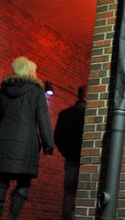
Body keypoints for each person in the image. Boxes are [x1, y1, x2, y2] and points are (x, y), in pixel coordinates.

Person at [0, 56, 54, 220]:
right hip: (26, 145)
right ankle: (11, 218)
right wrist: (48, 144)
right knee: (24, 183)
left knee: (1, 182)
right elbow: (43, 119)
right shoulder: (36, 91)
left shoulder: (3, 91)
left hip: (2, 143)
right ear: (30, 72)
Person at [54, 86, 87, 220]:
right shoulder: (91, 114)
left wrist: (66, 152)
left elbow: (57, 138)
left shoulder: (65, 114)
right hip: (86, 159)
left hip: (70, 159)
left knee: (69, 193)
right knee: (86, 192)